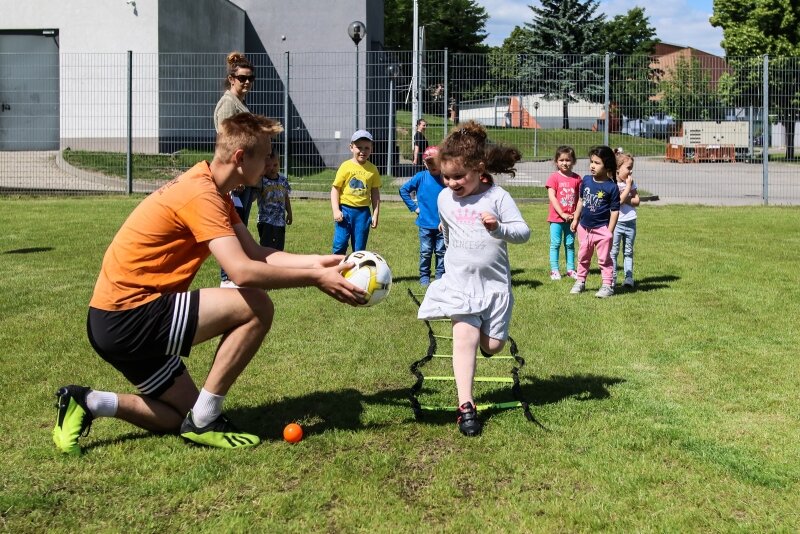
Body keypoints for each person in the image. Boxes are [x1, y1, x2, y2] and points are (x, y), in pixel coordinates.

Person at [52, 113, 366, 455]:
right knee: (256, 305)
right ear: (241, 158)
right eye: (266, 156)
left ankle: (89, 402)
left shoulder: (214, 189)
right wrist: (315, 278)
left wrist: (322, 262)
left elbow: (256, 253)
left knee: (180, 416)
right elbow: (242, 272)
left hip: (111, 320)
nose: (270, 163)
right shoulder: (201, 194)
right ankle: (206, 422)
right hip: (129, 316)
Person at [417, 121, 530, 437]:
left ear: (479, 169)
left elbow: (523, 232)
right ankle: (466, 406)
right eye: (446, 177)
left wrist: (498, 229)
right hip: (460, 285)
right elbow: (447, 233)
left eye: (458, 176)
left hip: (495, 287)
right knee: (463, 339)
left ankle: (489, 339)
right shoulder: (444, 199)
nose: (451, 183)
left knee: (492, 345)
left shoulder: (497, 197)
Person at [215, 51, 257, 287]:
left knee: (241, 228)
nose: (247, 82)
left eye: (250, 78)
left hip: (245, 177)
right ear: (232, 79)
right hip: (236, 179)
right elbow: (226, 142)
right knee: (232, 231)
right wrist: (235, 177)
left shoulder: (240, 103)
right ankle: (227, 278)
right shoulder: (228, 104)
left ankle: (235, 276)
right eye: (242, 78)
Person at [569, 145, 621, 298]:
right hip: (584, 228)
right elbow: (581, 201)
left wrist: (609, 232)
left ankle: (607, 285)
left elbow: (615, 211)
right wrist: (576, 219)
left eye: (597, 163)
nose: (592, 165)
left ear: (607, 166)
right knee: (583, 256)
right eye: (591, 162)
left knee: (604, 259)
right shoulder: (586, 180)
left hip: (601, 230)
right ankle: (580, 281)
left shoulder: (612, 187)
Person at [399, 145, 446, 287]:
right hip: (425, 225)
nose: (433, 166)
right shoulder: (421, 177)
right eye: (429, 163)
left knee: (441, 252)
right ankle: (424, 277)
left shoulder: (446, 179)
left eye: (435, 162)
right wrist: (414, 207)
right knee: (425, 252)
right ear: (425, 163)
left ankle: (440, 277)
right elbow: (403, 190)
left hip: (442, 225)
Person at [330, 129, 381, 255]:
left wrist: (375, 214)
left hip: (363, 214)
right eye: (359, 147)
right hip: (345, 211)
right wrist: (336, 210)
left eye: (367, 148)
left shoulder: (373, 170)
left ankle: (356, 267)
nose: (363, 151)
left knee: (359, 248)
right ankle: (337, 265)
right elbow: (335, 189)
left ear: (371, 149)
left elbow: (375, 193)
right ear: (351, 147)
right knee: (340, 243)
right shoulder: (345, 166)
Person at [545, 145, 582, 281]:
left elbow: (581, 199)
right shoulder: (554, 178)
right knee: (555, 244)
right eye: (561, 160)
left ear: (573, 161)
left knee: (570, 244)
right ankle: (554, 270)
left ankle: (570, 269)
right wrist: (562, 213)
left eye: (568, 160)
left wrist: (576, 215)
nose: (565, 163)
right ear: (556, 161)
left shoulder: (577, 179)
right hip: (556, 219)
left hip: (571, 219)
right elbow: (552, 197)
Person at [611, 150, 640, 289]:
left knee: (628, 251)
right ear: (618, 169)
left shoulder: (631, 182)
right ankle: (612, 277)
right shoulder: (612, 184)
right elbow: (619, 201)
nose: (631, 171)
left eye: (632, 168)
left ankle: (629, 278)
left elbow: (637, 201)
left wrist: (627, 197)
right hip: (616, 223)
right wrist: (627, 191)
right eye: (628, 168)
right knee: (613, 251)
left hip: (630, 222)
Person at [255, 148, 292, 251]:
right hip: (265, 221)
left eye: (275, 165)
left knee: (279, 248)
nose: (272, 168)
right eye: (268, 166)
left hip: (280, 222)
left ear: (279, 163)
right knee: (267, 249)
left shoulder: (283, 180)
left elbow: (286, 197)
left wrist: (289, 213)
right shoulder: (261, 181)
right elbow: (253, 197)